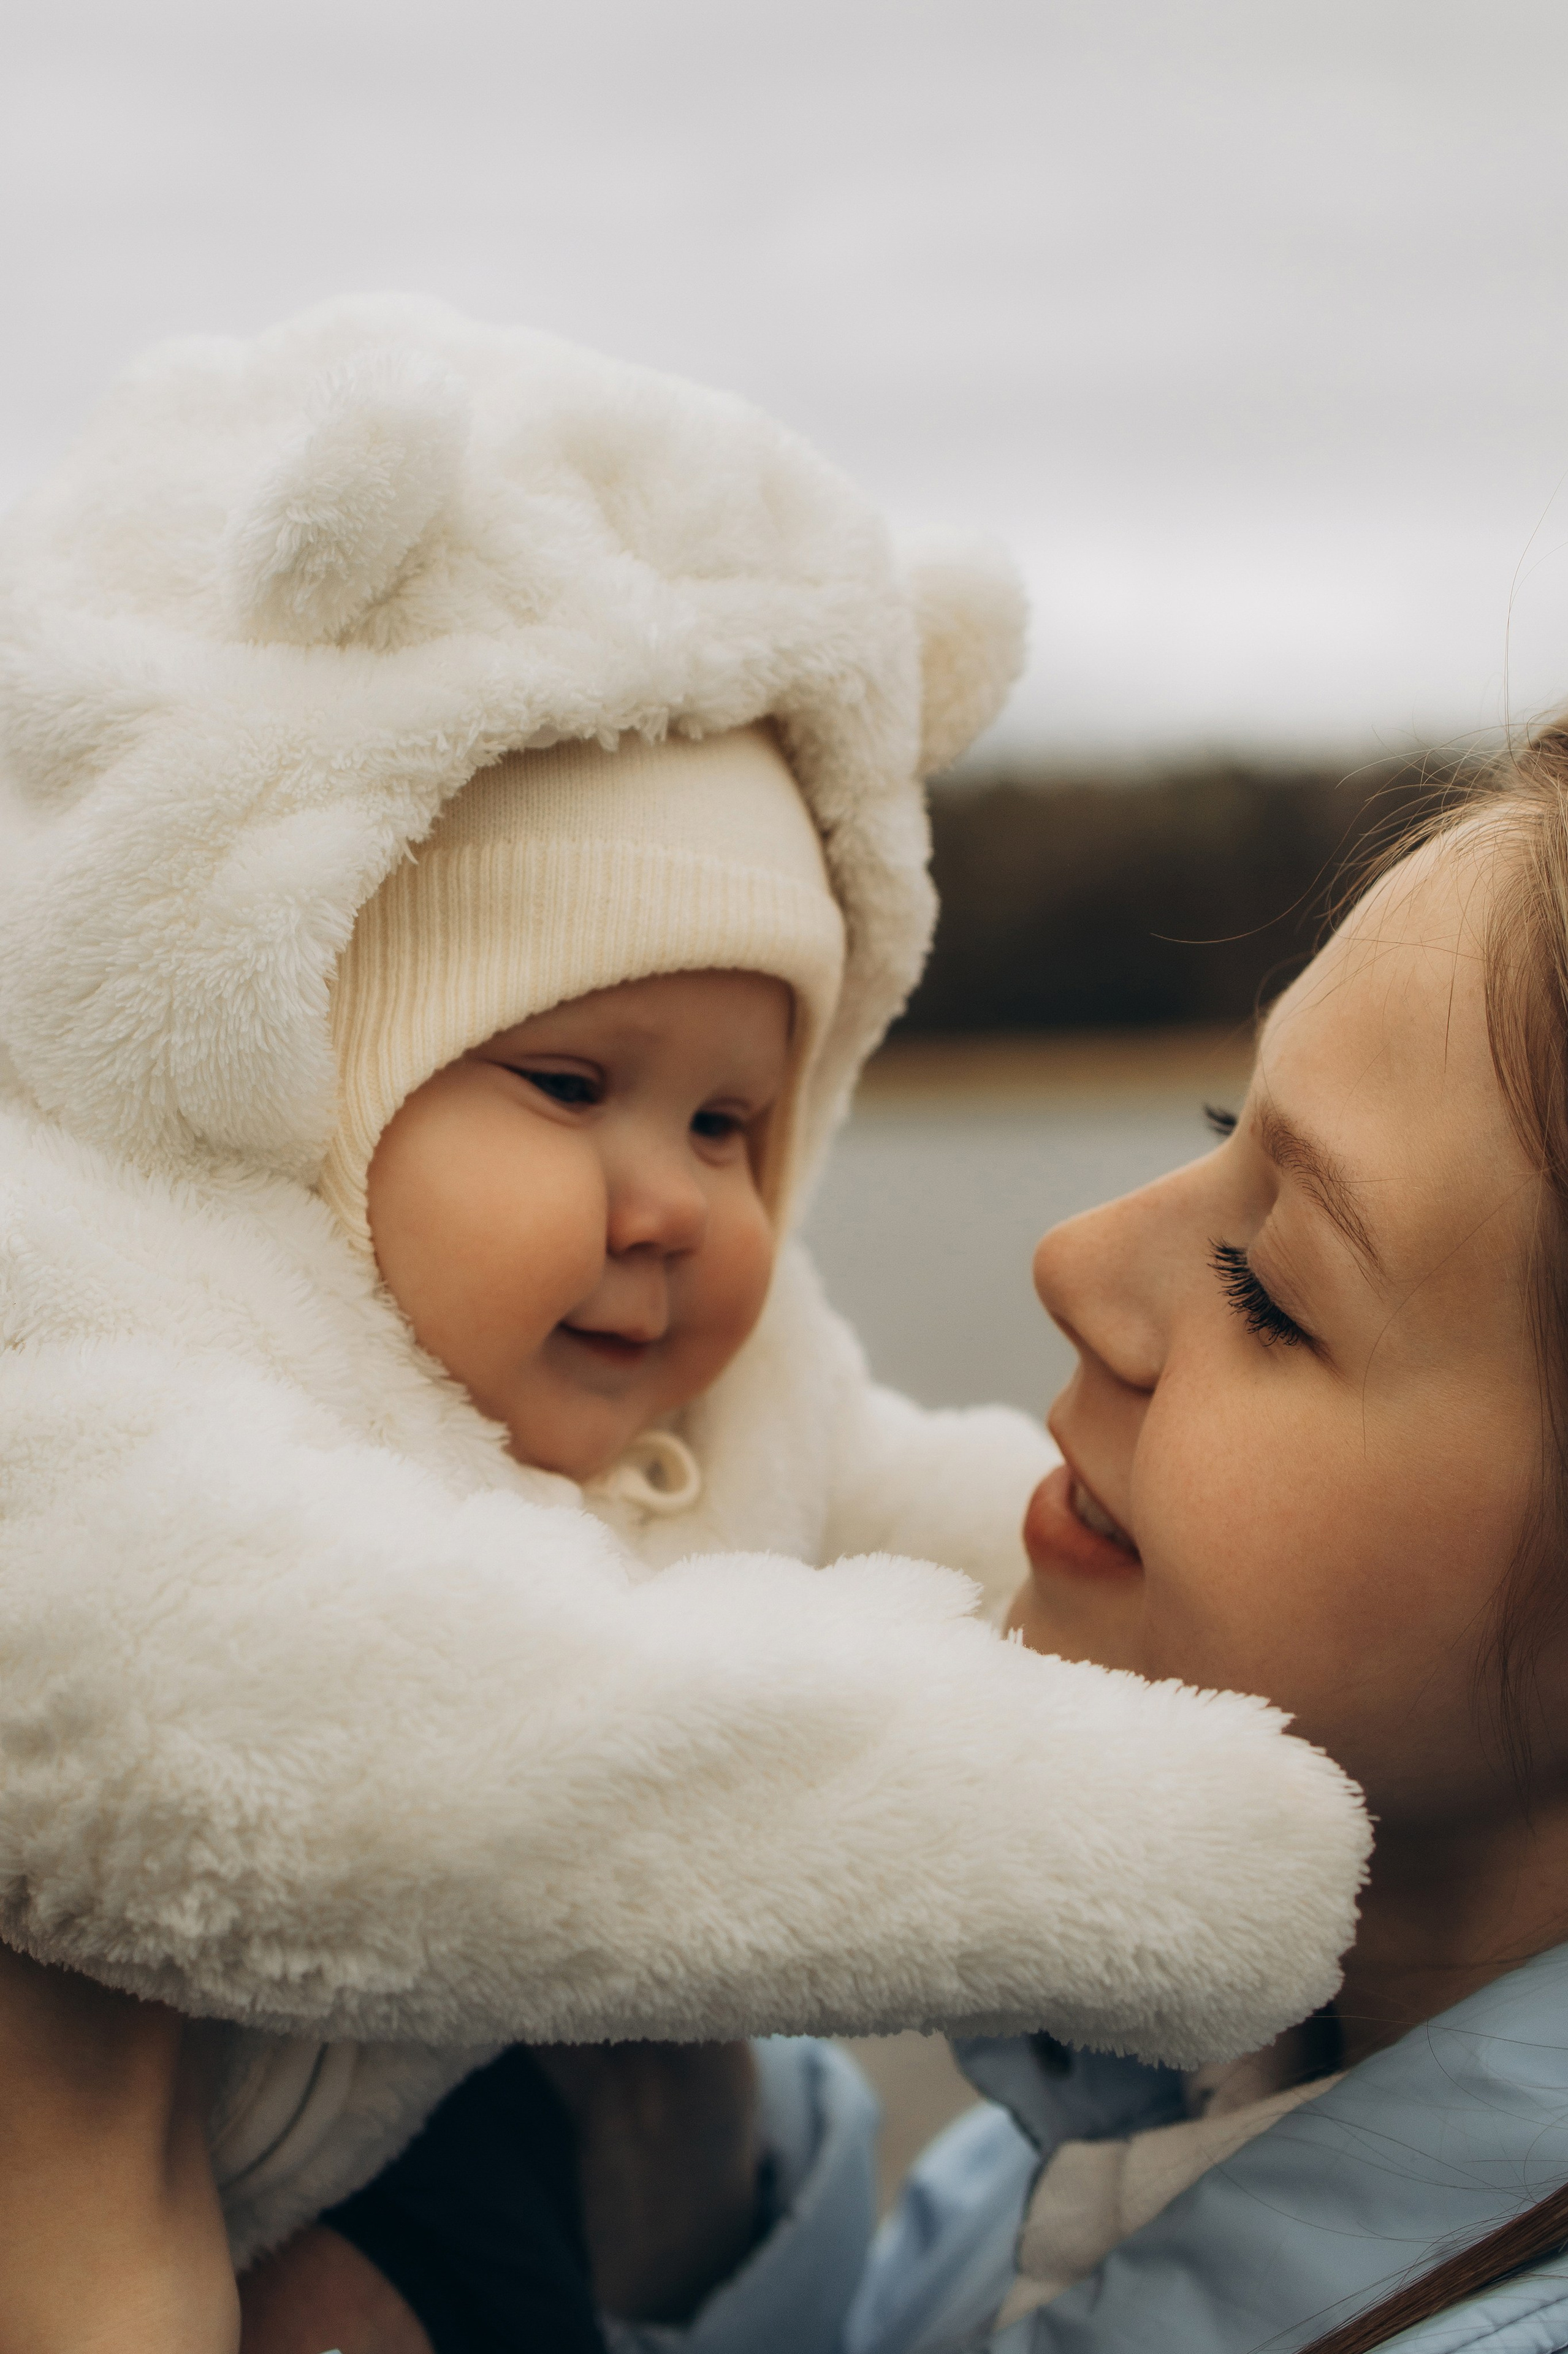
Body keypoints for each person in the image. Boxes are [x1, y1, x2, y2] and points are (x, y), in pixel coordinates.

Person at [0, 297, 1366, 2348]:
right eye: (566, 1087)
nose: (672, 1203)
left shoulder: (726, 1361)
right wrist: (1130, 1842)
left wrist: (1281, 1651)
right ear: (316, 1078)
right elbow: (431, 1764)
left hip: (392, 2150)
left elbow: (948, 1517)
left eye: (735, 1121)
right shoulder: (106, 1343)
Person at [530, 735, 1568, 2354]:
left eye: (1274, 1289)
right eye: (1226, 1121)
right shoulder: (1164, 2089)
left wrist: (108, 2283)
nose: (1076, 1260)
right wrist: (677, 2154)